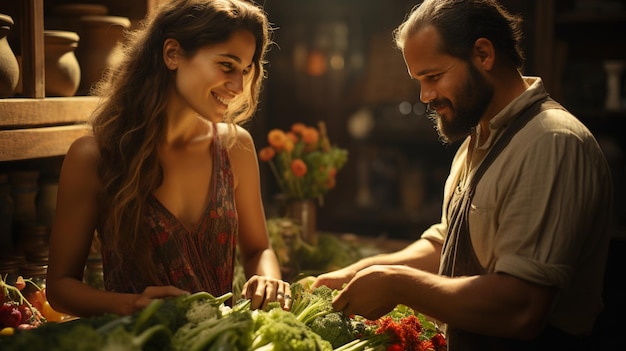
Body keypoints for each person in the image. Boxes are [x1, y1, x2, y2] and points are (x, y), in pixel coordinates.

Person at [312, 0, 614, 350]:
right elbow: (446, 244)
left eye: (434, 76)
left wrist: (396, 284)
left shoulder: (551, 142)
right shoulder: (479, 140)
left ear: (483, 54)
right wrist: (364, 271)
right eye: (419, 81)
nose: (425, 96)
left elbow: (521, 307)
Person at [46, 0, 291, 318]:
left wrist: (269, 280)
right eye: (227, 65)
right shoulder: (94, 157)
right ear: (172, 54)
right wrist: (131, 305)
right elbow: (60, 287)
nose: (239, 86)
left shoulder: (235, 147)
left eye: (246, 70)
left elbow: (259, 249)